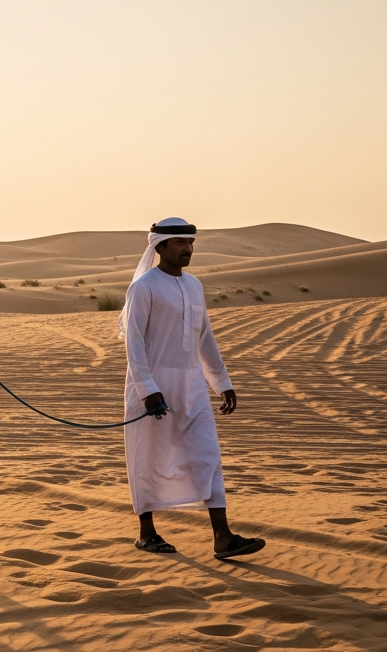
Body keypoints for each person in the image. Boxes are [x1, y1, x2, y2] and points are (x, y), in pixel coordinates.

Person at [120, 217, 266, 560]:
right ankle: (147, 533)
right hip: (153, 386)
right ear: (160, 246)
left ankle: (223, 537)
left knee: (207, 456)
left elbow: (204, 337)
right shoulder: (144, 287)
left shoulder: (195, 285)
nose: (188, 249)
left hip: (193, 385)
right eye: (180, 243)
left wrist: (221, 382)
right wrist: (147, 389)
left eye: (191, 243)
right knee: (147, 457)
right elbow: (134, 342)